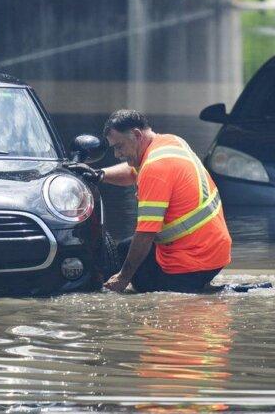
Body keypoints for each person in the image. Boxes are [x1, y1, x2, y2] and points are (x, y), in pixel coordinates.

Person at [97, 110, 231, 293]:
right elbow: (132, 172)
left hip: (193, 261)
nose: (117, 154)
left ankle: (194, 288)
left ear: (137, 135)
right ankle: (202, 285)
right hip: (214, 251)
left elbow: (145, 234)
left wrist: (122, 278)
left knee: (139, 285)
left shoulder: (154, 168)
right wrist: (99, 175)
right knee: (125, 248)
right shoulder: (170, 142)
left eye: (119, 146)